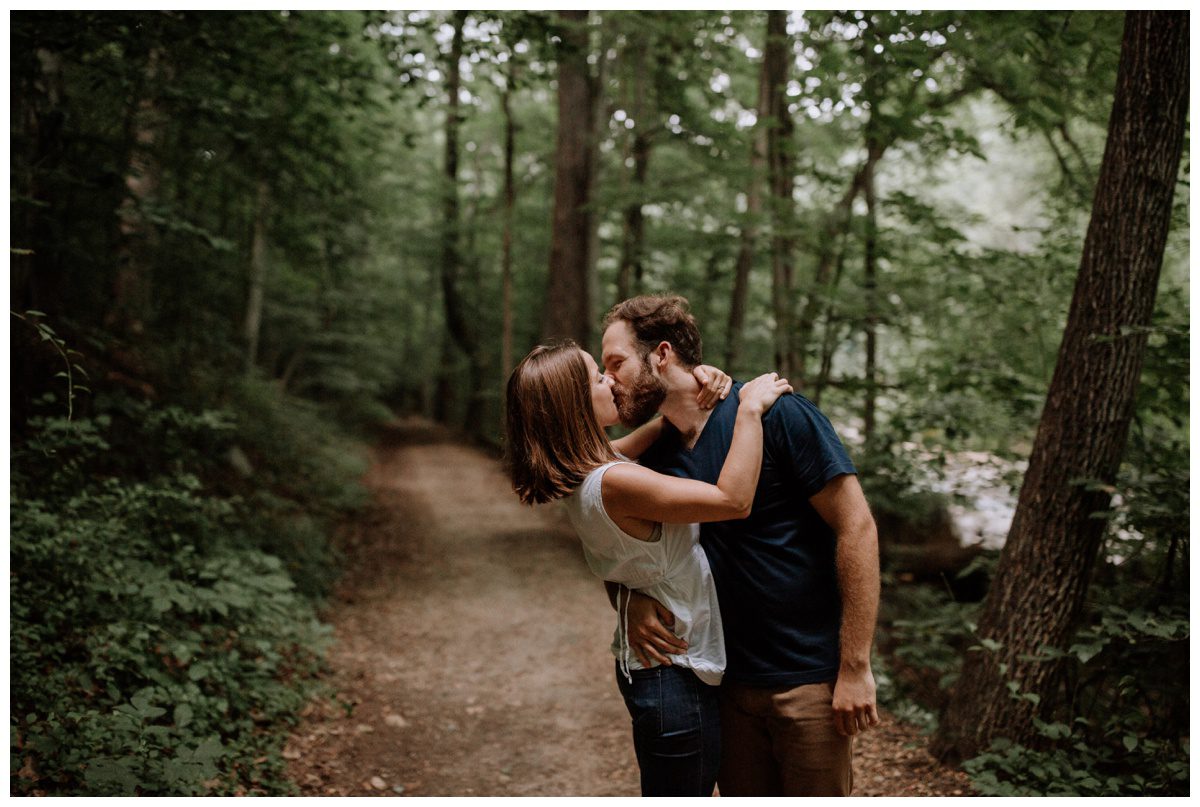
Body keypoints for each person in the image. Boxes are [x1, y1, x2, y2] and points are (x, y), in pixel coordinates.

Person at [599, 294, 880, 797]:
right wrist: (628, 596)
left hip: (807, 680)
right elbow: (620, 546)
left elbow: (856, 527)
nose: (609, 378)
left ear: (661, 355)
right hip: (718, 685)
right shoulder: (652, 457)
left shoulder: (775, 413)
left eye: (616, 363)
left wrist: (855, 665)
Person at [504, 340, 792, 796]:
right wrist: (750, 410)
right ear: (575, 403)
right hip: (672, 674)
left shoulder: (587, 470)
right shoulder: (617, 482)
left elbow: (657, 429)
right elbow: (732, 501)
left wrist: (695, 386)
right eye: (597, 377)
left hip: (657, 670)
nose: (610, 380)